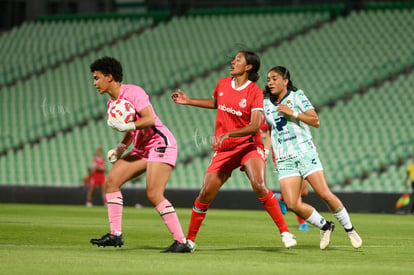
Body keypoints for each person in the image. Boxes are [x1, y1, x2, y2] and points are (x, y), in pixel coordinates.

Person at [171, 51, 296, 251]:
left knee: (258, 184)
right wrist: (189, 101)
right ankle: (190, 241)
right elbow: (216, 103)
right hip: (224, 149)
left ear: (248, 67)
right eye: (234, 59)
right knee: (205, 193)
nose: (233, 62)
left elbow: (255, 126)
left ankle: (285, 232)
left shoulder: (254, 92)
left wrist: (230, 134)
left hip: (248, 145)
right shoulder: (222, 83)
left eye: (238, 60)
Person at [89, 56, 192, 253]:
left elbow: (149, 119)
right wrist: (121, 147)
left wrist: (127, 125)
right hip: (142, 149)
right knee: (111, 182)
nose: (94, 83)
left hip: (161, 144)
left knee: (153, 193)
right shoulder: (112, 103)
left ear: (109, 77)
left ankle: (181, 241)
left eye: (96, 78)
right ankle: (115, 234)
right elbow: (132, 130)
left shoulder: (133, 92)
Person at [263, 65, 362, 249]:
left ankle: (350, 229)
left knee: (324, 193)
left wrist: (292, 112)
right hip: (285, 158)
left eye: (274, 78)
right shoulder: (266, 104)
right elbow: (270, 130)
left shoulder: (297, 96)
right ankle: (325, 226)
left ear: (285, 81)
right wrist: (266, 152)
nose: (270, 82)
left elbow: (315, 121)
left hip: (304, 153)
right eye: (268, 79)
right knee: (292, 203)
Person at [261, 115, 309, 231]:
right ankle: (302, 222)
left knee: (304, 192)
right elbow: (265, 132)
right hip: (281, 155)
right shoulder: (265, 112)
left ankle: (281, 198)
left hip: (298, 153)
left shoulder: (289, 110)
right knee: (295, 190)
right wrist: (265, 153)